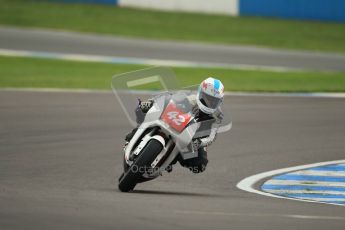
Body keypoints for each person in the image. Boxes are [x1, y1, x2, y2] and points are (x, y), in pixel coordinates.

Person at [125, 77, 224, 173]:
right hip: (176, 121)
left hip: (194, 137)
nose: (209, 103)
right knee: (143, 110)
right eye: (207, 98)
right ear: (200, 93)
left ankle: (170, 159)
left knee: (200, 165)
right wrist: (152, 103)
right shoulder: (189, 99)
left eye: (213, 101)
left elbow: (211, 136)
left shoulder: (217, 116)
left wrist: (199, 142)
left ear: (219, 101)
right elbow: (168, 98)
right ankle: (132, 138)